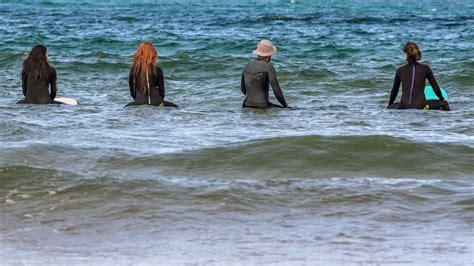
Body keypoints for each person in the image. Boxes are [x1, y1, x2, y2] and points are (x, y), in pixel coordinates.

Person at [387, 42, 449, 110]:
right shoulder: (425, 68)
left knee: (391, 106)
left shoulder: (400, 70)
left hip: (403, 106)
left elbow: (394, 91)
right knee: (444, 104)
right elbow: (435, 88)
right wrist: (442, 99)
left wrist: (390, 104)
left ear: (406, 54)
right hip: (421, 106)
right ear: (417, 53)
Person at [126, 41, 178, 107]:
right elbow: (162, 92)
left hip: (139, 101)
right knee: (176, 107)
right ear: (153, 54)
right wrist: (158, 101)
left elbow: (132, 90)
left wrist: (137, 99)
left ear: (139, 54)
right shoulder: (158, 70)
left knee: (126, 107)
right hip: (157, 101)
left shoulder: (134, 70)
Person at [241, 39, 288, 109]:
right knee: (289, 109)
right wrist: (285, 106)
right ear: (269, 56)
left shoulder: (247, 65)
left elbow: (242, 89)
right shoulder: (268, 66)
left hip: (246, 104)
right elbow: (276, 91)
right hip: (263, 105)